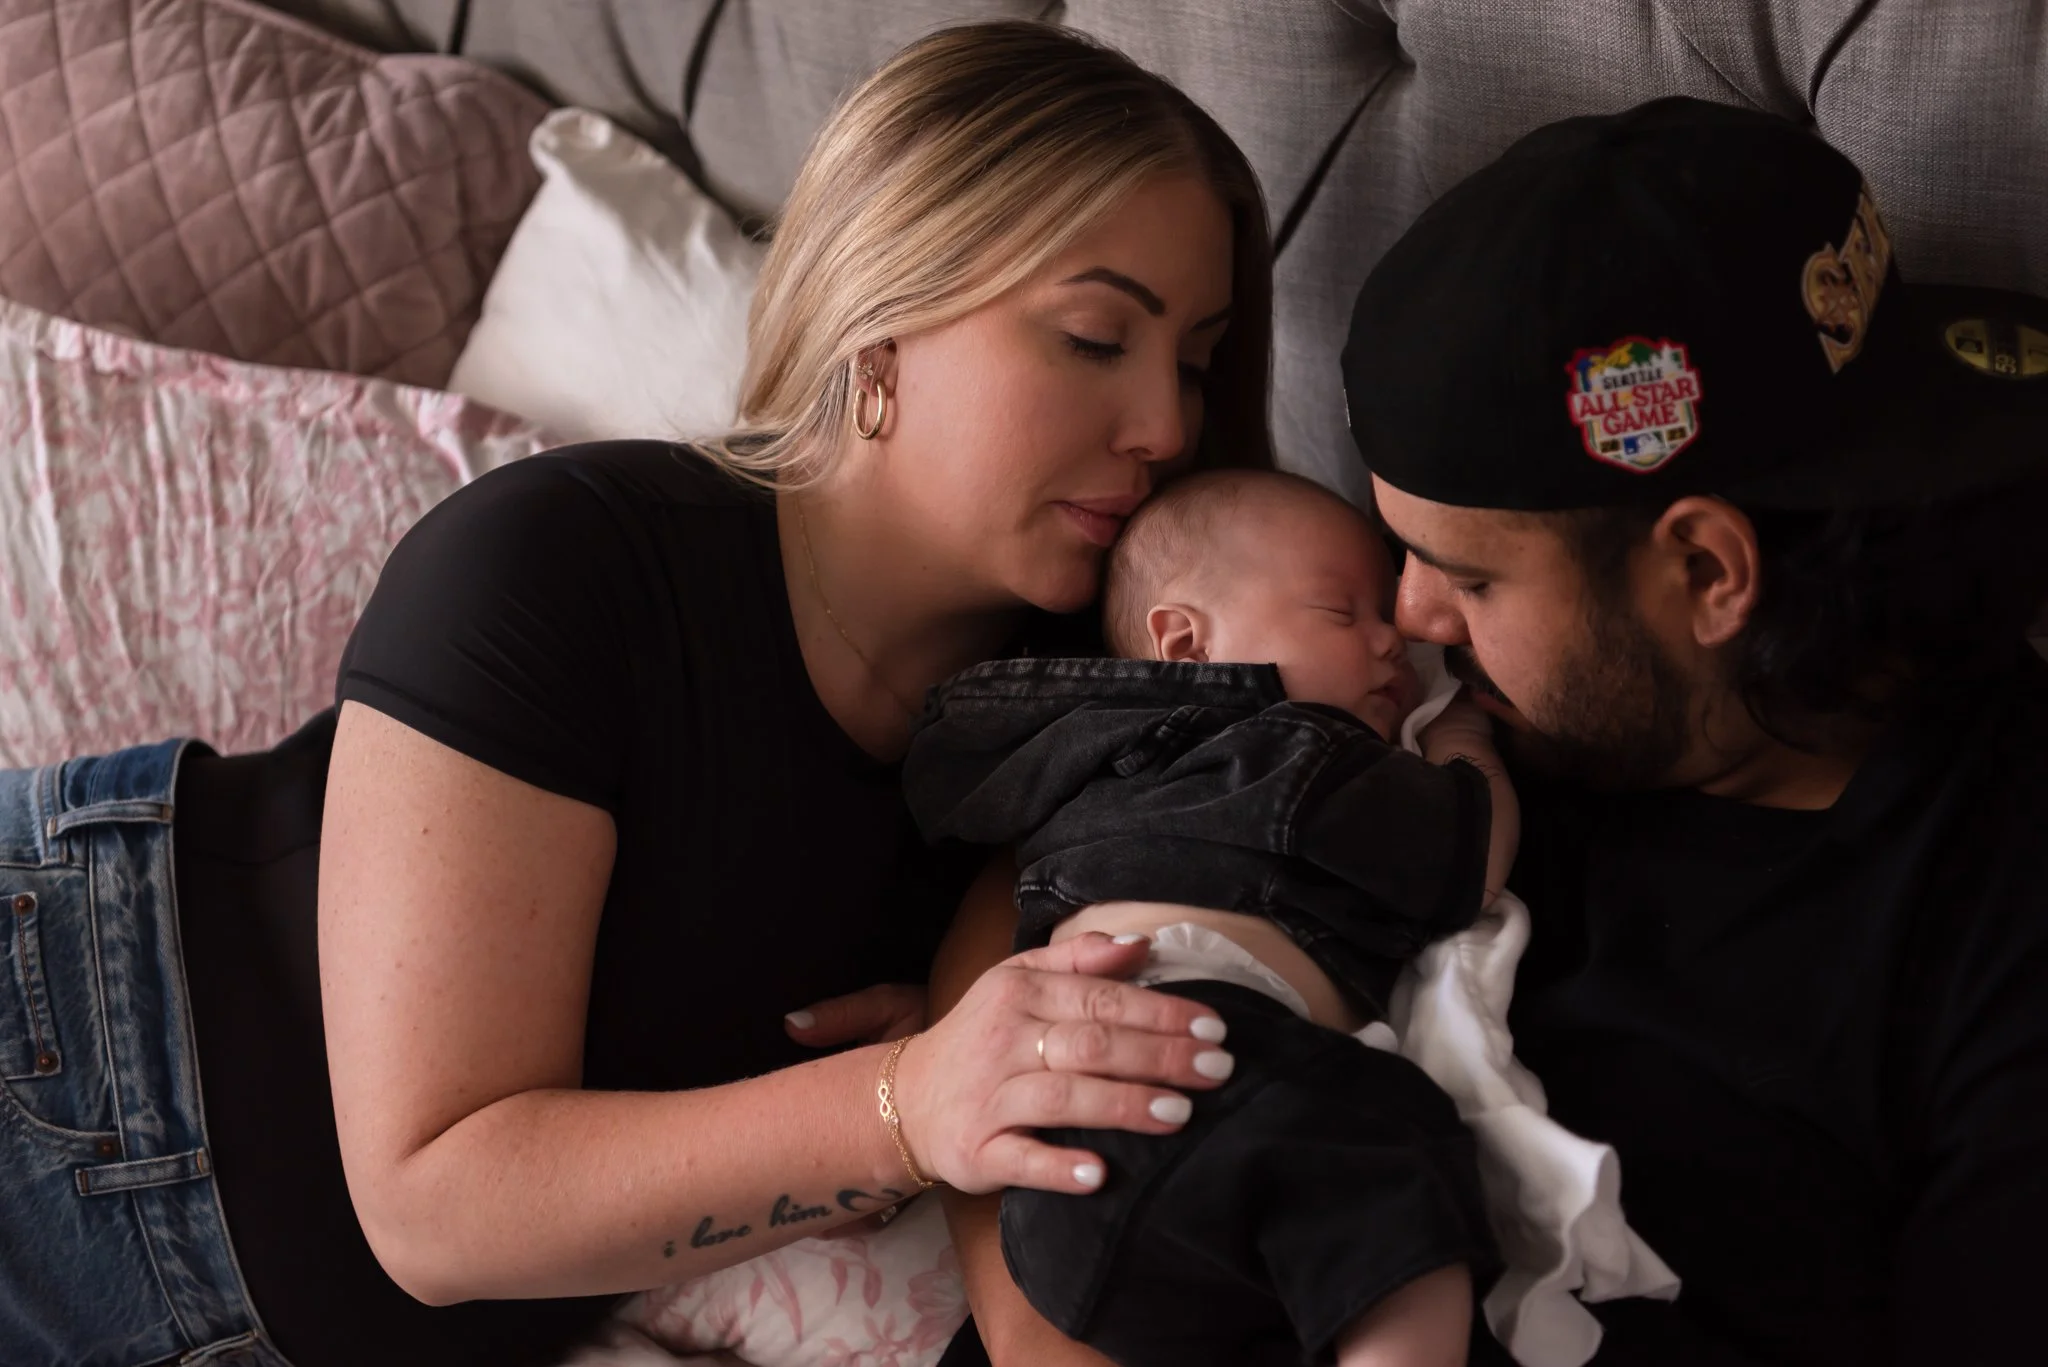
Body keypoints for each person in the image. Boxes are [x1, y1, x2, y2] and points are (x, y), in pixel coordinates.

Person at [0, 23, 1282, 1367]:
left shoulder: (1055, 765)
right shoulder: (563, 560)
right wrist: (900, 1101)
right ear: (882, 314)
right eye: (1096, 335)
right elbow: (435, 1199)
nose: (1167, 425)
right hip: (74, 1039)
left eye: (1195, 360)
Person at [934, 96, 2048, 1367]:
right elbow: (1078, 849)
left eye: (1465, 576)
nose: (1408, 617)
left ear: (1702, 570)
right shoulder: (1439, 719)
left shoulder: (1988, 928)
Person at [905, 469, 1516, 1367]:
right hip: (1196, 1069)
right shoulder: (1296, 754)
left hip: (1048, 1205)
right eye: (1346, 614)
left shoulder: (1065, 765)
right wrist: (1465, 743)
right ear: (1187, 642)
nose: (1395, 641)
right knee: (1399, 1159)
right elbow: (1476, 855)